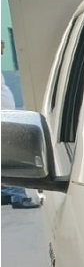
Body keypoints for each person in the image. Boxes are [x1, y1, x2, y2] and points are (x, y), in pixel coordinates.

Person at [1, 39, 40, 209]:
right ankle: (18, 196)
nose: (2, 47)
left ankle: (6, 192)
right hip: (4, 118)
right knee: (12, 154)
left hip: (5, 115)